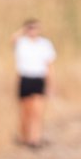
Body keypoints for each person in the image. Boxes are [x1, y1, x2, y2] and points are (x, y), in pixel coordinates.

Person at [12, 19, 56, 149]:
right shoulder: (21, 43)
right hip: (25, 78)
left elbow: (49, 65)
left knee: (37, 111)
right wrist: (24, 30)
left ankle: (34, 139)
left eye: (35, 28)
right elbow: (12, 38)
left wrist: (51, 84)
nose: (32, 30)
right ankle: (25, 137)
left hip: (39, 78)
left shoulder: (45, 44)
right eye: (30, 28)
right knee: (26, 112)